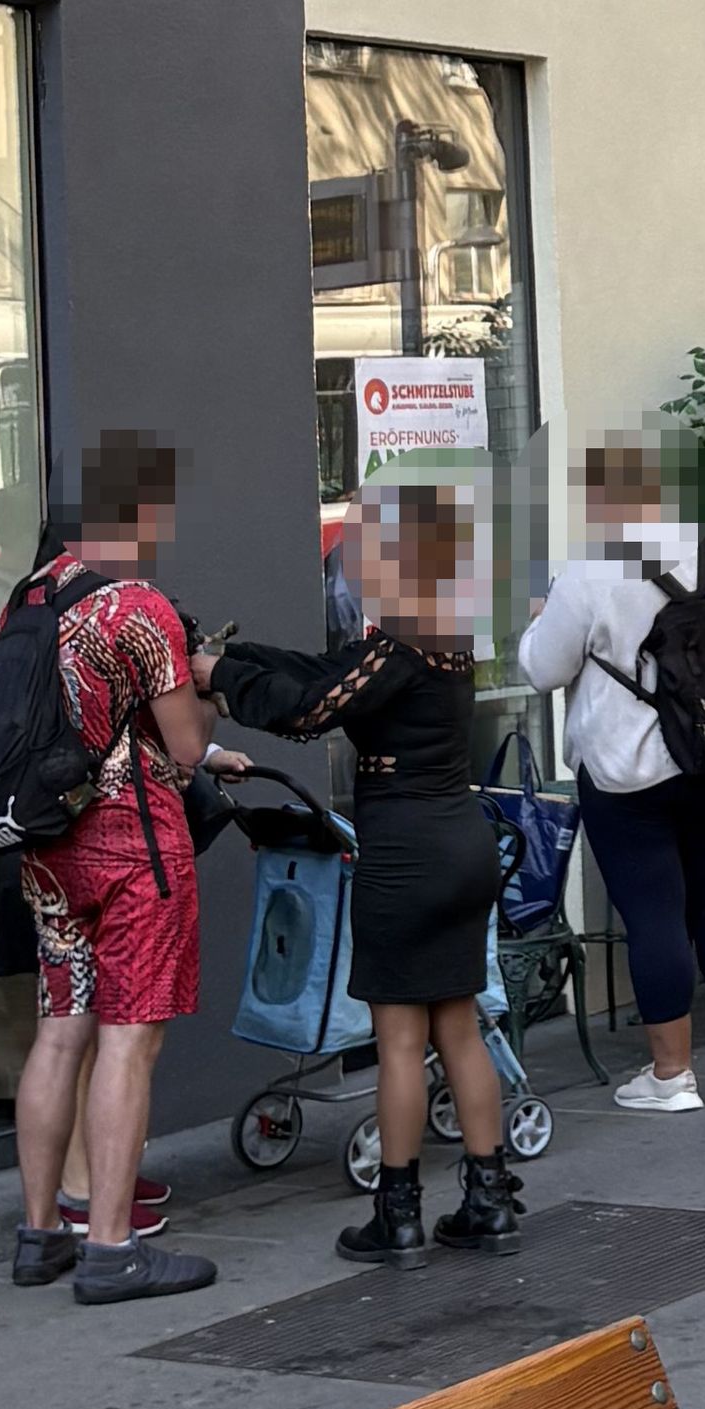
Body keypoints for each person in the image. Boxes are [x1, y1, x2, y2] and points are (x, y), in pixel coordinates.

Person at [210, 486, 524, 1261]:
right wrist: (234, 660)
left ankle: (400, 1212)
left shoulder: (397, 647)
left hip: (408, 854)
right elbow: (324, 671)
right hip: (460, 846)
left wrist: (219, 675)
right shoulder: (448, 639)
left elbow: (309, 708)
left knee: (397, 1039)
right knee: (459, 1026)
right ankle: (488, 1199)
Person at [6, 433, 241, 1305]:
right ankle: (111, 1247)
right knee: (128, 1040)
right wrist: (203, 697)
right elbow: (186, 746)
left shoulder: (32, 596)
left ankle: (40, 1235)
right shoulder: (134, 607)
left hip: (49, 849)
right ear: (136, 512)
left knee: (59, 1028)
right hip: (132, 844)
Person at [522, 444, 705, 1112]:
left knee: (655, 913)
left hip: (625, 767)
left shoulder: (589, 571)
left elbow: (543, 670)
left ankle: (672, 1076)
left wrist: (534, 623)